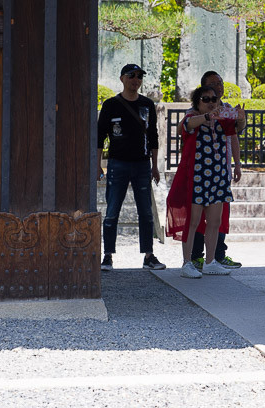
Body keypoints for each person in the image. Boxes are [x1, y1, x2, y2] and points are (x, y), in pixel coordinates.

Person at [97, 63, 166, 271]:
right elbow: (100, 135)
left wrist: (155, 166)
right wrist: (97, 164)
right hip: (117, 163)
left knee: (145, 211)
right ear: (122, 79)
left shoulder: (147, 104)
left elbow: (153, 136)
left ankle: (148, 255)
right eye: (131, 76)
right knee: (112, 210)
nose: (135, 80)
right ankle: (107, 255)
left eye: (139, 76)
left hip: (142, 164)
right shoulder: (111, 105)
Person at [166, 85, 237, 278]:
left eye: (214, 99)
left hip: (217, 178)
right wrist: (208, 116)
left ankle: (210, 261)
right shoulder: (192, 119)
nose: (211, 103)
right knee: (193, 222)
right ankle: (187, 262)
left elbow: (237, 128)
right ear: (197, 103)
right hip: (196, 178)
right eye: (206, 99)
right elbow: (187, 126)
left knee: (214, 221)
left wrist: (240, 116)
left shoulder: (222, 122)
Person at [190, 71, 246, 270]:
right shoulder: (195, 112)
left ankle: (217, 256)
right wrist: (207, 115)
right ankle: (195, 256)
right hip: (198, 173)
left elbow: (234, 135)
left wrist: (237, 163)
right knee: (196, 218)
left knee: (219, 217)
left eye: (220, 83)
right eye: (213, 84)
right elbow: (187, 128)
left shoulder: (227, 109)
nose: (218, 86)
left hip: (221, 170)